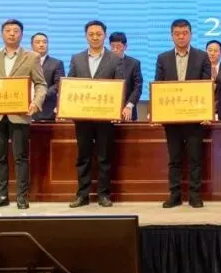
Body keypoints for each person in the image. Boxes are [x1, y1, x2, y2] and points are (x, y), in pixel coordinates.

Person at [0, 19, 47, 210]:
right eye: (8, 30)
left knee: (21, 157)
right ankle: (1, 195)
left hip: (20, 113)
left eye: (16, 31)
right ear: (2, 34)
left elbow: (41, 84)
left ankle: (22, 196)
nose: (12, 33)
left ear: (21, 34)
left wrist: (36, 103)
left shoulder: (32, 57)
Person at [155, 19, 212, 208]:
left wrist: (205, 112)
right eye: (177, 33)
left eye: (185, 33)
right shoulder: (163, 58)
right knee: (175, 159)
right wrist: (156, 112)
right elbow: (159, 86)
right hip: (172, 119)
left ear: (191, 35)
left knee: (195, 158)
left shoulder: (202, 57)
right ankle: (175, 195)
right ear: (171, 36)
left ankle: (195, 195)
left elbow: (206, 86)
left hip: (194, 118)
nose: (181, 36)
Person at [68, 20, 123, 208]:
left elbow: (120, 86)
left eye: (98, 34)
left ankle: (103, 195)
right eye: (91, 34)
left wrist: (117, 109)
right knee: (83, 157)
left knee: (104, 157)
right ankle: (82, 195)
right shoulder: (77, 58)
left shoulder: (115, 59)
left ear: (104, 36)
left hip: (105, 117)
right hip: (82, 117)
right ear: (86, 36)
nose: (95, 37)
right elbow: (70, 85)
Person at [109, 32, 144, 122]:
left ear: (125, 47)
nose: (115, 49)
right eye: (112, 46)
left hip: (128, 111)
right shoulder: (104, 63)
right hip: (108, 111)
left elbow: (138, 88)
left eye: (118, 46)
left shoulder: (134, 63)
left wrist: (129, 105)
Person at [31, 32, 64, 121]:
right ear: (32, 45)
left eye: (44, 42)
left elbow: (58, 84)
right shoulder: (25, 63)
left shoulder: (57, 63)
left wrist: (40, 95)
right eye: (38, 42)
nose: (41, 44)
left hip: (46, 110)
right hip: (26, 110)